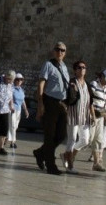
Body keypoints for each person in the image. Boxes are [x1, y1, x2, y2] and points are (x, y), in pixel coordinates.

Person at [33, 41, 70, 176]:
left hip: (62, 104)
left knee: (61, 135)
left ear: (65, 53)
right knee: (50, 136)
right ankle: (51, 165)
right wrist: (40, 104)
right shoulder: (48, 65)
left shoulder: (65, 67)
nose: (60, 52)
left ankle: (40, 153)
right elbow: (41, 83)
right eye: (57, 50)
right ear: (53, 51)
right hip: (50, 102)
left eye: (62, 50)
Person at [62, 60, 94, 174]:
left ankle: (66, 155)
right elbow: (66, 99)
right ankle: (69, 165)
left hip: (84, 116)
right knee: (72, 140)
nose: (82, 69)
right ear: (75, 70)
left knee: (85, 140)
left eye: (84, 67)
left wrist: (92, 115)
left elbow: (90, 102)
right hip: (73, 115)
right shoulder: (71, 82)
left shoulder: (87, 84)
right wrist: (73, 91)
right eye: (79, 68)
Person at [88, 69, 106, 172]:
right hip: (93, 115)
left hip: (100, 116)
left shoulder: (105, 88)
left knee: (98, 140)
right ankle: (69, 155)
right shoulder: (94, 84)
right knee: (87, 139)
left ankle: (96, 163)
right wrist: (93, 114)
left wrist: (105, 113)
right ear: (102, 76)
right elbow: (89, 99)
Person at [7, 73, 29, 149]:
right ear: (14, 80)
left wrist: (26, 110)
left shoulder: (21, 90)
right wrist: (11, 106)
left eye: (21, 80)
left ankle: (7, 138)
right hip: (12, 109)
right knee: (12, 125)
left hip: (19, 110)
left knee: (15, 126)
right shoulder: (11, 88)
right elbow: (10, 98)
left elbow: (23, 101)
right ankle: (13, 142)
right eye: (17, 79)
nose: (19, 81)